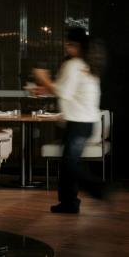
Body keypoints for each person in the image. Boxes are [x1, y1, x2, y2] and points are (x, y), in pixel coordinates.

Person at [32, 27, 104, 214]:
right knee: (68, 164)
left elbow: (64, 92)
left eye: (69, 44)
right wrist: (47, 88)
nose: (66, 47)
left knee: (69, 164)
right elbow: (68, 89)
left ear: (76, 45)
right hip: (86, 122)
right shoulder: (88, 64)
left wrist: (43, 78)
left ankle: (97, 189)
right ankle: (69, 203)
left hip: (78, 122)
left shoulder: (74, 65)